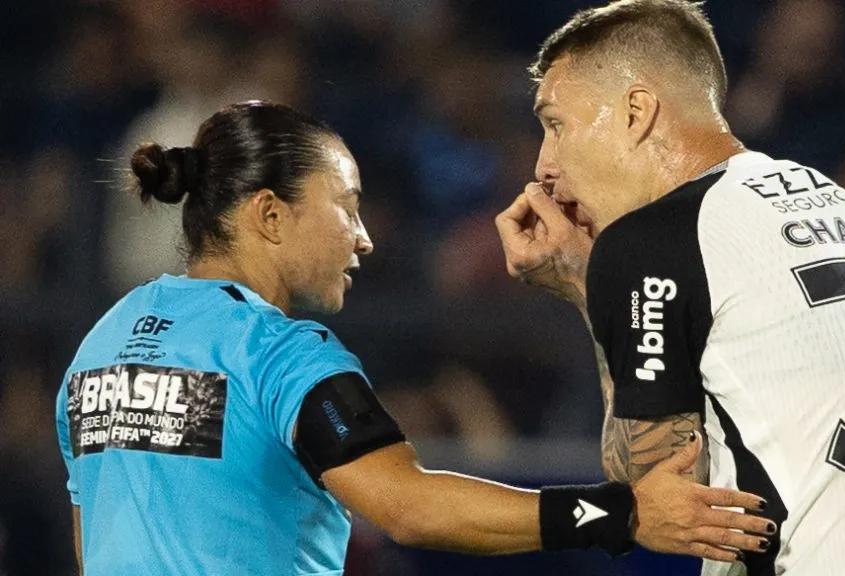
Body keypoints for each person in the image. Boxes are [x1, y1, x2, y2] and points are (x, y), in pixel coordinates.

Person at [54, 101, 776, 575]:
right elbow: (408, 506)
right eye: (345, 207)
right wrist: (625, 511)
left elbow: (94, 552)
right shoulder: (283, 356)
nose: (364, 239)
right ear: (269, 214)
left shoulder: (97, 349)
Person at [495, 1, 845, 575]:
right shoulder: (832, 198)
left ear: (636, 111)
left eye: (555, 124)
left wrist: (585, 287)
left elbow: (661, 490)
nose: (545, 166)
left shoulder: (651, 239)